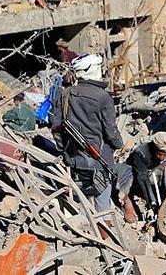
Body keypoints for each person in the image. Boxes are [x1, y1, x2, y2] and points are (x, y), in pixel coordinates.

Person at [51, 54, 137, 225]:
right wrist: (118, 145)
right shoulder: (103, 97)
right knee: (103, 206)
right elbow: (111, 132)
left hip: (73, 160)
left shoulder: (64, 94)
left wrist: (63, 150)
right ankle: (105, 236)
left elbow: (56, 129)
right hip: (99, 161)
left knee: (81, 203)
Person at [128, 132, 166, 216]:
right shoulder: (141, 153)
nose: (162, 158)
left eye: (165, 155)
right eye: (159, 154)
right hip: (136, 177)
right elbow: (142, 178)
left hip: (156, 174)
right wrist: (152, 202)